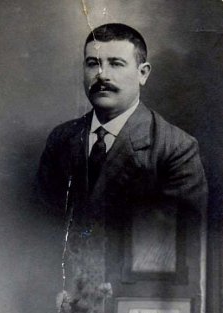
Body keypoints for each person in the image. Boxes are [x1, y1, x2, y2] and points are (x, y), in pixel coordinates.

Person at [37, 23, 207, 228]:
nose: (102, 75)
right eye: (93, 63)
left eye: (116, 63)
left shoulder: (176, 148)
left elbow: (182, 242)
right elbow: (39, 226)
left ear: (142, 73)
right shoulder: (61, 138)